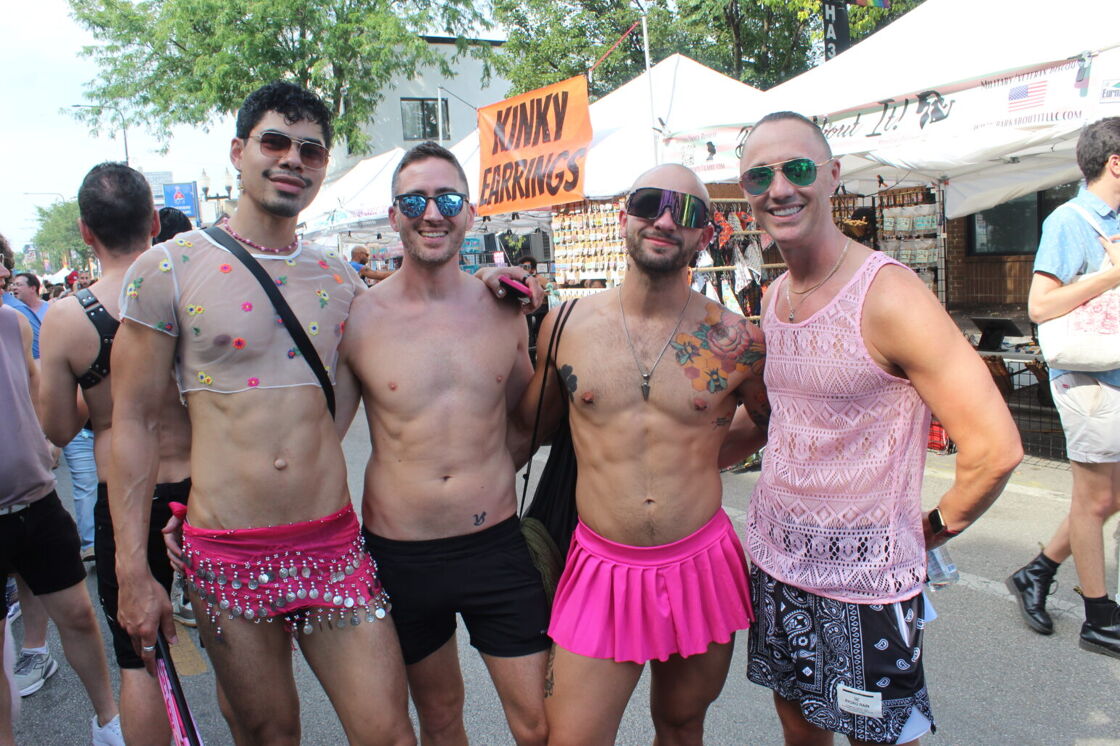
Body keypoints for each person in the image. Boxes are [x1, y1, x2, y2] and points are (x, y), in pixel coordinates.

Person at [110, 81, 414, 745]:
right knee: (269, 736)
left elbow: (395, 358)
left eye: (310, 150)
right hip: (227, 557)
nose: (292, 160)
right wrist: (131, 570)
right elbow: (129, 424)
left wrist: (500, 295)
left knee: (389, 733)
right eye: (275, 142)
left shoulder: (342, 280)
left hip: (333, 547)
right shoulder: (167, 270)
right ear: (238, 152)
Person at [734, 111, 1022, 745]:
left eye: (798, 169)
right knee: (800, 730)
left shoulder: (890, 296)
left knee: (881, 739)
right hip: (776, 567)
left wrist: (928, 533)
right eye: (760, 175)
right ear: (746, 191)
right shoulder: (773, 299)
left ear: (833, 177)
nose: (779, 187)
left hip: (864, 588)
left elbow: (996, 449)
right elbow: (781, 423)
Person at [516, 163, 770, 745]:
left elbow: (774, 427)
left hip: (700, 564)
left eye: (687, 212)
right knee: (572, 738)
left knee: (681, 726)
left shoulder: (736, 343)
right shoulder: (567, 324)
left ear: (707, 235)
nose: (664, 220)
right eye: (650, 202)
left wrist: (701, 454)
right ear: (623, 215)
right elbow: (530, 428)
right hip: (601, 568)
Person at [339, 141, 550, 745]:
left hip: (497, 548)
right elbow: (318, 439)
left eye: (447, 199)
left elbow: (528, 419)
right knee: (440, 718)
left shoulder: (504, 309)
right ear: (394, 216)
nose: (432, 213)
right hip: (402, 556)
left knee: (538, 724)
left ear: (470, 213)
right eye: (414, 200)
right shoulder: (359, 319)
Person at [37, 162, 194, 744]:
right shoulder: (192, 292)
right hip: (207, 488)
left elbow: (57, 424)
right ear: (154, 221)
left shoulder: (68, 318)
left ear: (85, 231)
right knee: (233, 638)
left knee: (141, 657)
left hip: (127, 499)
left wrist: (97, 396)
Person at [0, 236, 124, 745]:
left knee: (77, 614)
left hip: (36, 500)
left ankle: (108, 721)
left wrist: (44, 444)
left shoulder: (9, 322)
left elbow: (33, 382)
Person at [1007, 117, 1120, 657]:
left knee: (1106, 497)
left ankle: (1039, 570)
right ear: (1116, 162)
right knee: (1096, 500)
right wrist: (1110, 276)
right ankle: (1098, 616)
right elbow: (1040, 306)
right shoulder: (1069, 221)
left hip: (1113, 375)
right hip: (1088, 379)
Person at [7, 274, 49, 359]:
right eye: (13, 284)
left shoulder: (50, 308)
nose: (14, 288)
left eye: (19, 285)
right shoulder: (14, 311)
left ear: (33, 288)